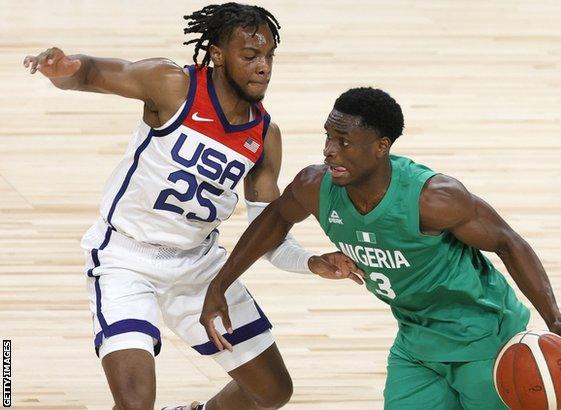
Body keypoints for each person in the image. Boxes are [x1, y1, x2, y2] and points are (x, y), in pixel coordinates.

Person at [23, 3, 359, 410]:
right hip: (126, 258)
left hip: (199, 266)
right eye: (250, 56)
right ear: (218, 54)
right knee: (134, 403)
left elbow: (268, 235)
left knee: (272, 392)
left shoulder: (264, 136)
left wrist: (310, 262)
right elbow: (90, 73)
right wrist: (63, 70)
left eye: (269, 56)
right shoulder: (172, 85)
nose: (263, 67)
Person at [200, 87, 561, 409]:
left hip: (484, 342)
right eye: (328, 137)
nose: (329, 151)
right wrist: (220, 284)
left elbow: (509, 242)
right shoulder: (315, 187)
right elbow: (274, 220)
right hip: (416, 343)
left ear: (381, 147)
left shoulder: (433, 198)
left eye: (344, 142)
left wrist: (557, 324)